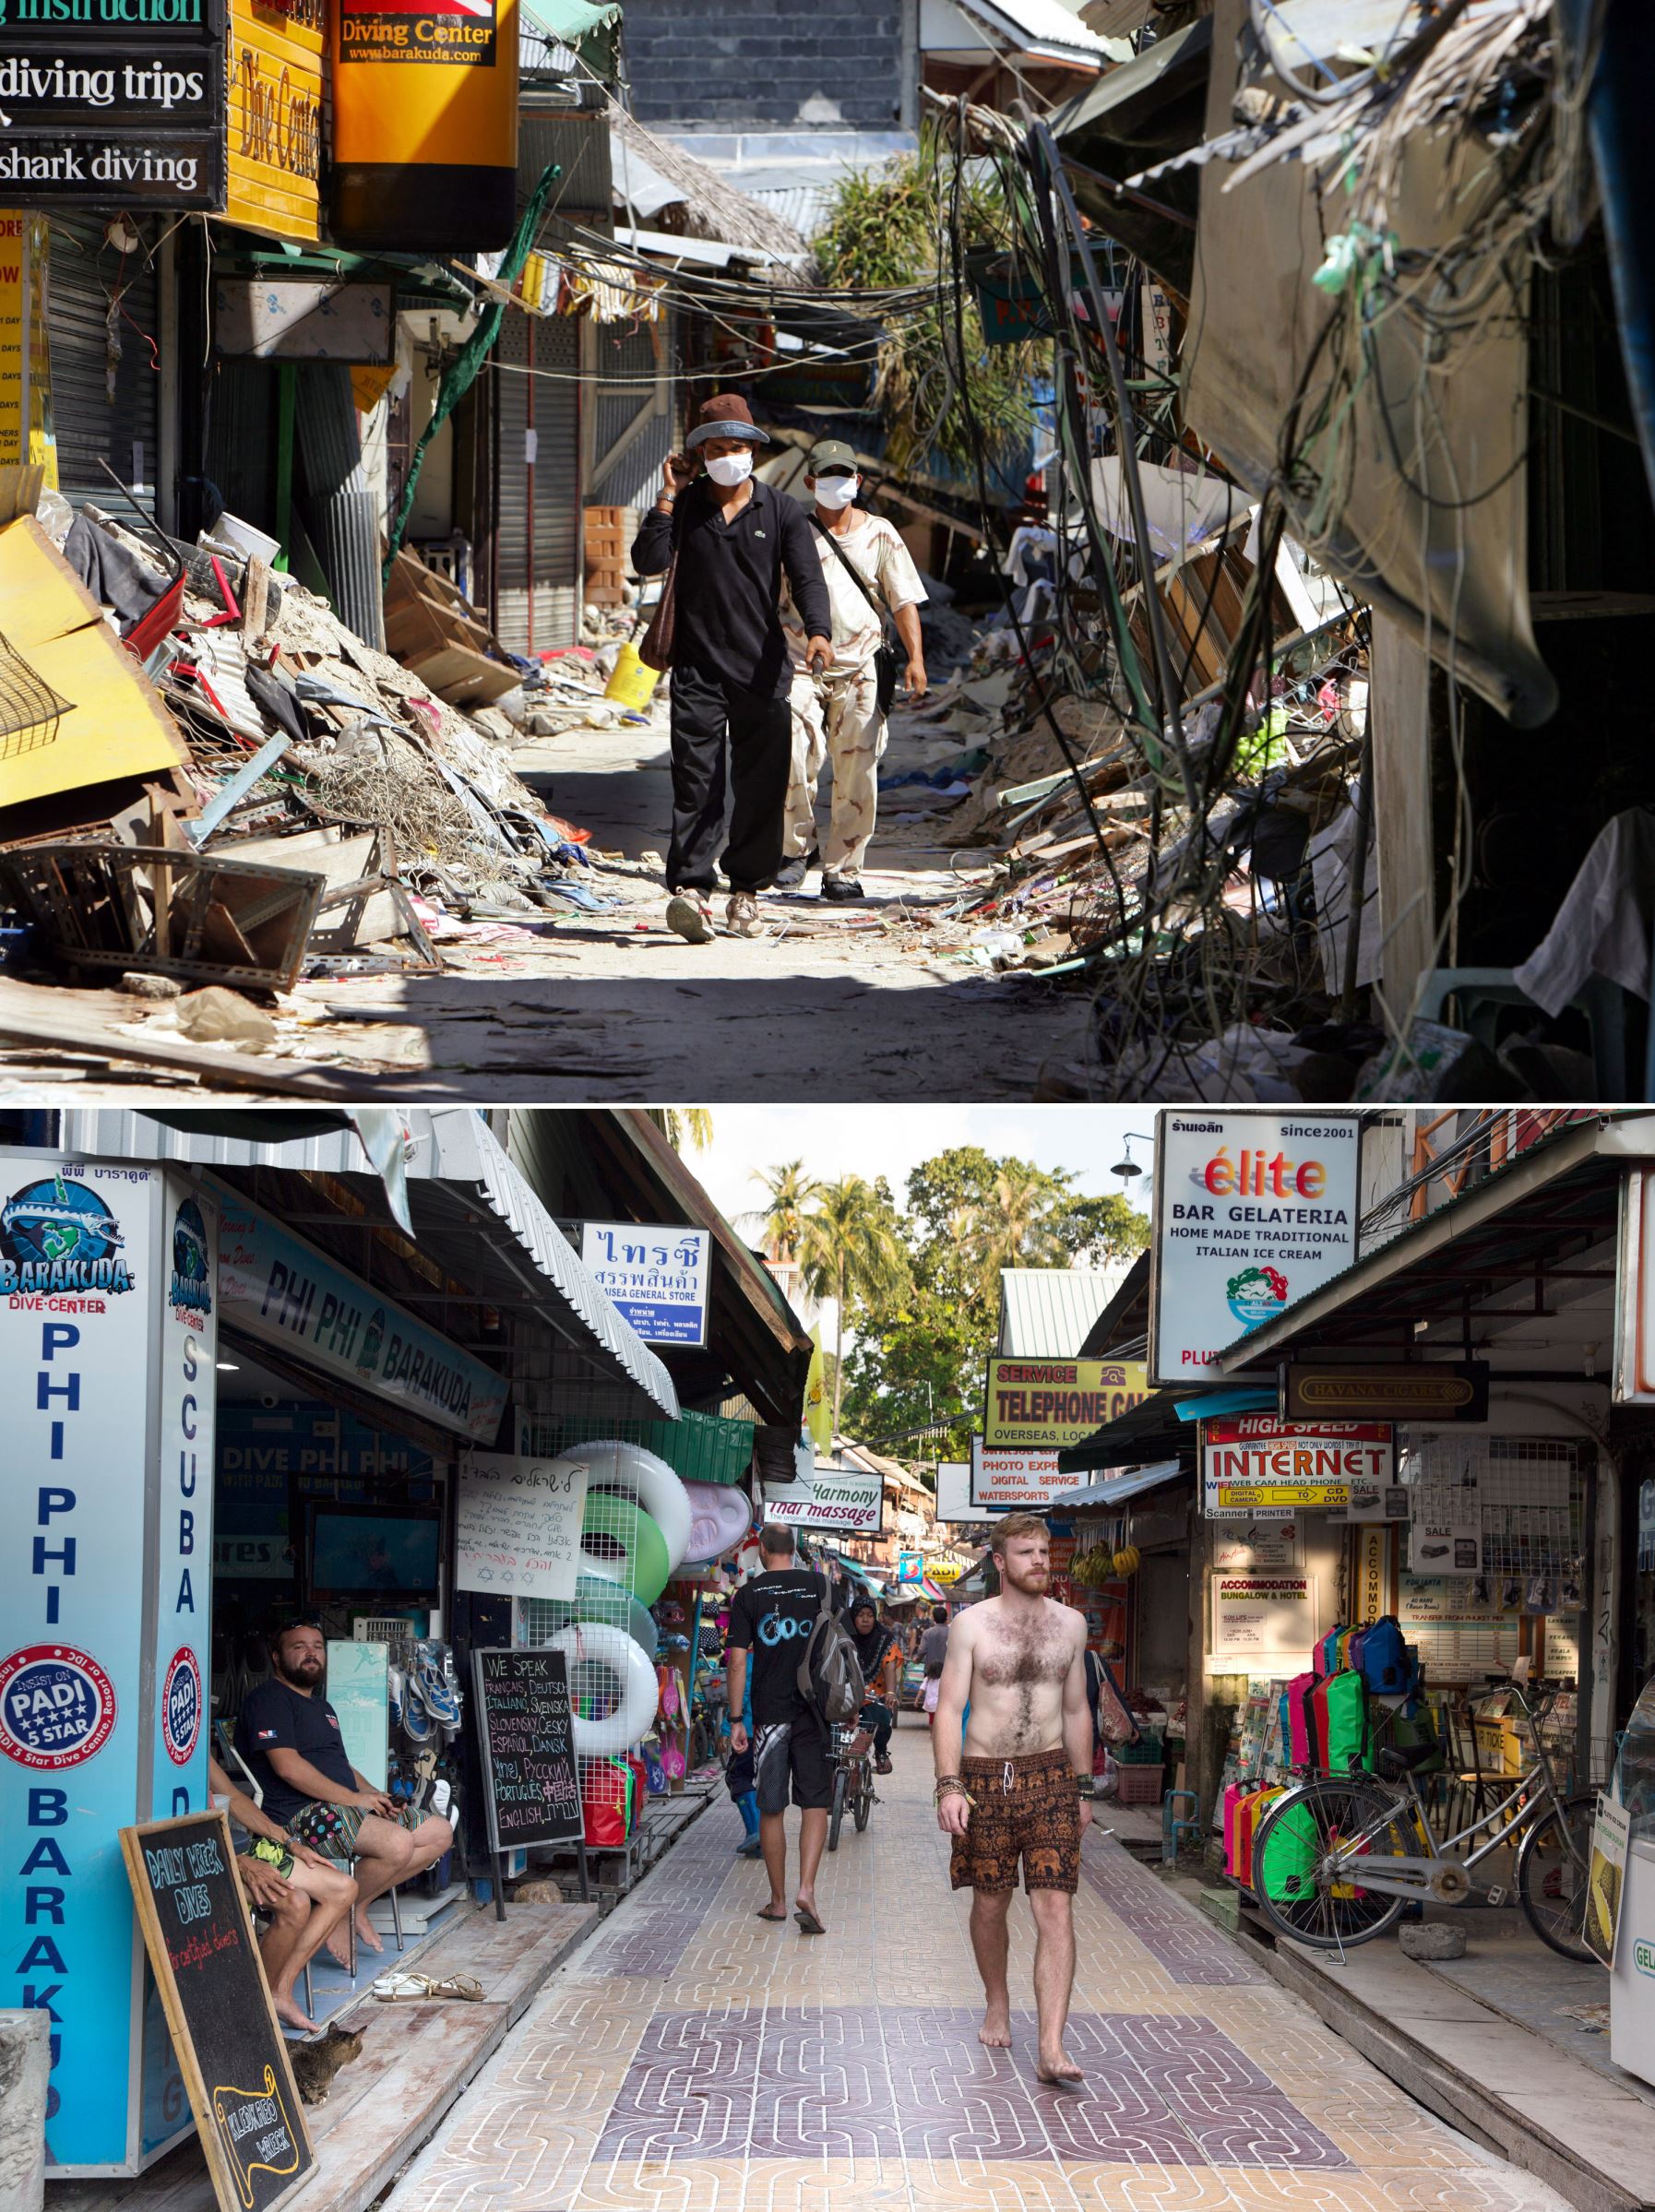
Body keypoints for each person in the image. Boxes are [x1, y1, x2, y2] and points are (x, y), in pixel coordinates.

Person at [631, 394, 832, 945]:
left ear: (753, 451)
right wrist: (669, 494)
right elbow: (647, 560)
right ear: (699, 453)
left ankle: (747, 891)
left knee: (761, 785)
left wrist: (819, 632)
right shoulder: (688, 505)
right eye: (717, 448)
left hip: (764, 670)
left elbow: (809, 579)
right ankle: (692, 888)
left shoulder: (784, 511)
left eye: (737, 447)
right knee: (697, 781)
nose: (728, 457)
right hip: (697, 668)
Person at [932, 1514, 1094, 2085]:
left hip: (1049, 1776)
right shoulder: (971, 1626)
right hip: (984, 1780)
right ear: (1000, 1562)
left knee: (1055, 1906)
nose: (1040, 1562)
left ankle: (1051, 2047)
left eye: (1045, 1552)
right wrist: (948, 1784)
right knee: (991, 1903)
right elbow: (948, 1709)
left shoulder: (1071, 1626)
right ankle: (997, 1999)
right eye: (1027, 1553)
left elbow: (1076, 1710)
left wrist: (1081, 1786)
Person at [234, 1622, 452, 1960]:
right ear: (276, 1657)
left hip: (339, 1806)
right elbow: (287, 1767)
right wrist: (354, 1799)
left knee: (439, 1832)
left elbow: (343, 1768)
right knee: (397, 1843)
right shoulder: (268, 1700)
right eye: (299, 1647)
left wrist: (375, 1796)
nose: (311, 1654)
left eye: (317, 1647)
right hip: (298, 1814)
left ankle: (352, 1908)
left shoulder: (323, 1707)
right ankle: (341, 1909)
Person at [778, 440, 928, 903]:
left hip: (862, 663)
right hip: (799, 660)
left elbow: (902, 600)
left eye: (845, 474)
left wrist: (916, 659)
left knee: (858, 765)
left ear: (858, 481)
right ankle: (797, 850)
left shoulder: (880, 533)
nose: (837, 483)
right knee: (789, 746)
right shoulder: (793, 530)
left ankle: (843, 868)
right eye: (827, 475)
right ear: (810, 483)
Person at [725, 1524, 835, 1935]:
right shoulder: (821, 1586)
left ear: (763, 1550)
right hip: (817, 1712)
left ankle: (778, 1901)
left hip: (770, 1716)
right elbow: (838, 1648)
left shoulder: (749, 1595)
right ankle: (807, 1888)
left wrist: (737, 1719)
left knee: (771, 1806)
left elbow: (737, 1662)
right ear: (794, 1550)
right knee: (815, 1802)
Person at [210, 1754, 357, 2030]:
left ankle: (279, 1989)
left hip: (234, 1845)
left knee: (344, 1889)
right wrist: (238, 1861)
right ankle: (255, 2005)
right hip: (204, 1854)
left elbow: (232, 1796)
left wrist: (290, 1842)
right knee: (296, 1902)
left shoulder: (196, 1750)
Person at [844, 1595, 898, 1773]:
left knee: (881, 1718)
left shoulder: (884, 1637)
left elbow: (889, 1664)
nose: (866, 1619)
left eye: (869, 1614)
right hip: (845, 1694)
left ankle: (881, 1752)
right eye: (861, 1615)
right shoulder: (843, 1635)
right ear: (853, 1617)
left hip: (872, 1695)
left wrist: (890, 1693)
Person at [918, 1602, 950, 1723]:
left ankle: (933, 1720)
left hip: (931, 1672)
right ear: (946, 1618)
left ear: (934, 1618)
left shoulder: (927, 1633)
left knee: (932, 1694)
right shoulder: (952, 1632)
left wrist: (916, 1659)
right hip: (948, 1672)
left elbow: (922, 1650)